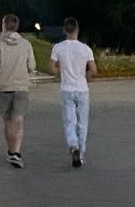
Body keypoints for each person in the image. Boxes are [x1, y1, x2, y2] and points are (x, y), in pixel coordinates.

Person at [0, 13, 36, 169]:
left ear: (4, 26)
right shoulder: (26, 44)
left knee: (7, 120)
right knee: (19, 119)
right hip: (21, 87)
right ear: (17, 26)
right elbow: (32, 66)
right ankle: (17, 152)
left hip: (4, 88)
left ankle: (11, 150)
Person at [49, 16, 97, 168]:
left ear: (65, 30)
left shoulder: (58, 48)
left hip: (66, 89)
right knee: (82, 123)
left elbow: (51, 68)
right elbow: (93, 69)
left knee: (70, 121)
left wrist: (61, 72)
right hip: (82, 89)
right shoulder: (85, 49)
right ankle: (80, 154)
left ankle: (73, 144)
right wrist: (86, 76)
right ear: (77, 30)